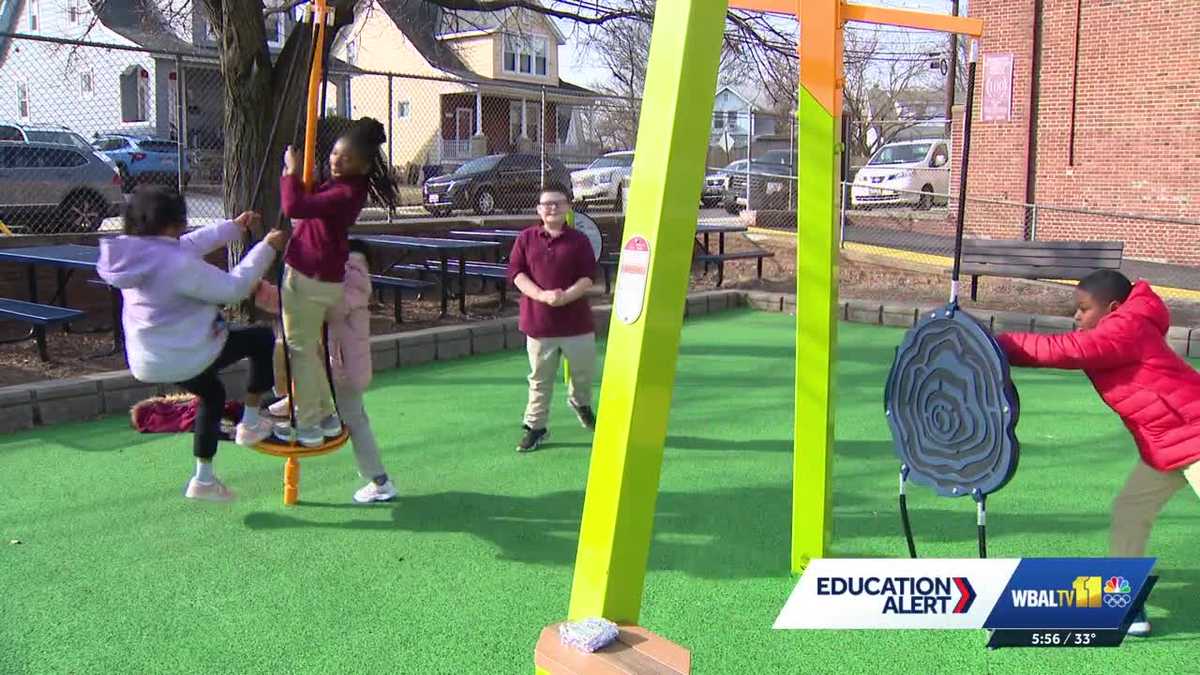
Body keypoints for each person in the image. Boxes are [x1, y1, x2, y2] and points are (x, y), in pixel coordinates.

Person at [995, 269, 1200, 637]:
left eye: (1084, 309)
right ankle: (1128, 605)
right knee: (1130, 511)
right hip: (1165, 443)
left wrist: (996, 344)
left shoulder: (1127, 328)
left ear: (1113, 307)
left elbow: (1067, 351)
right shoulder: (1116, 328)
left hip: (1195, 433)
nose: (1076, 317)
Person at [97, 185, 287, 502]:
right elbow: (234, 288)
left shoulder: (136, 255)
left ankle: (204, 479)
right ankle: (251, 422)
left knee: (212, 393)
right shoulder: (175, 264)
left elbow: (189, 245)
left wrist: (233, 227)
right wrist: (266, 247)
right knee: (260, 338)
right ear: (174, 222)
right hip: (187, 352)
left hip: (149, 357)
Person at [272, 117, 396, 447]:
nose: (336, 161)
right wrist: (305, 177)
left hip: (309, 279)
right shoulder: (343, 187)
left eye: (346, 158)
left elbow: (293, 205)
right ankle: (324, 415)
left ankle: (309, 423)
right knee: (304, 350)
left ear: (364, 165)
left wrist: (290, 172)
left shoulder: (345, 192)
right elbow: (308, 206)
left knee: (299, 352)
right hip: (321, 279)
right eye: (335, 154)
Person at [255, 239, 397, 503]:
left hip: (344, 368)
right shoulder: (341, 273)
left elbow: (330, 307)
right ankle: (296, 406)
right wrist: (263, 291)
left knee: (355, 419)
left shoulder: (355, 276)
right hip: (329, 364)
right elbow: (296, 304)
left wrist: (308, 289)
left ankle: (380, 482)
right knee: (294, 359)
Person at [506, 187, 599, 452]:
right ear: (538, 210)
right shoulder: (526, 239)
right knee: (540, 379)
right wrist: (542, 296)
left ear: (568, 208)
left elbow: (588, 277)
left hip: (577, 324)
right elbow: (517, 274)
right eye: (546, 205)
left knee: (583, 373)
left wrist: (565, 296)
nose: (552, 209)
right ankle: (536, 427)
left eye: (558, 204)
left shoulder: (579, 241)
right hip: (539, 324)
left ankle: (580, 403)